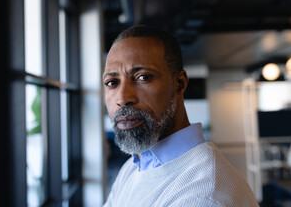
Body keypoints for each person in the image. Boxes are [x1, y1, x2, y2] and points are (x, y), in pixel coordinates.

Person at [102, 25, 259, 207]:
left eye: (143, 77)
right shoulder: (134, 166)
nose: (122, 98)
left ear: (179, 83)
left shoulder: (204, 196)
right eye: (112, 82)